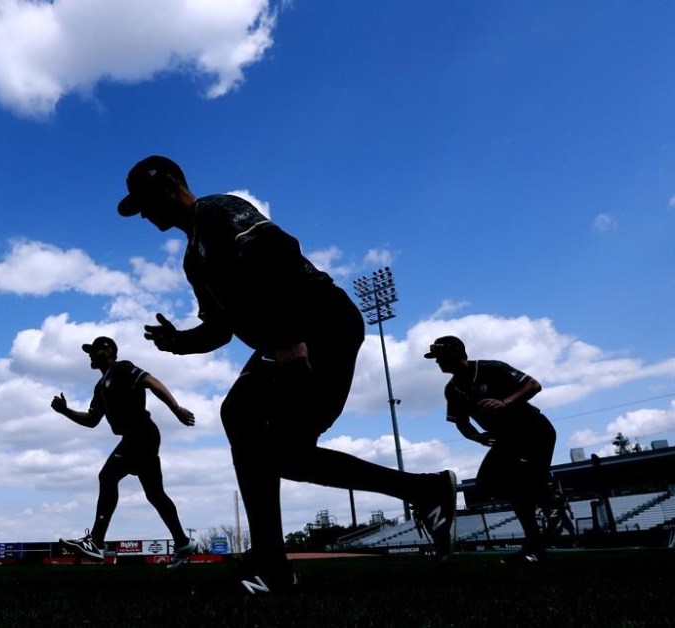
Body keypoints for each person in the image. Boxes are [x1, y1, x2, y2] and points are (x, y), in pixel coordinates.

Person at [116, 155, 458, 593]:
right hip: (288, 338)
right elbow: (220, 330)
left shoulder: (217, 210)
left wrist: (292, 337)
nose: (142, 214)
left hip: (320, 320)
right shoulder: (193, 260)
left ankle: (272, 567)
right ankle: (425, 491)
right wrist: (179, 341)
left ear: (167, 187)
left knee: (245, 419)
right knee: (275, 446)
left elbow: (278, 247)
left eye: (143, 202)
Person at [51, 336, 197, 568]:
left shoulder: (121, 368)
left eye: (94, 350)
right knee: (155, 495)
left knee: (107, 476)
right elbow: (91, 420)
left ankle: (96, 541)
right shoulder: (100, 388)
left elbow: (151, 381)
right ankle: (182, 542)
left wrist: (176, 409)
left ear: (108, 351)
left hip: (141, 433)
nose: (90, 354)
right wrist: (65, 411)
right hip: (136, 437)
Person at [424, 336, 559, 563]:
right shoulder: (452, 389)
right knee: (488, 483)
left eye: (441, 357)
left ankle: (543, 509)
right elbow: (461, 422)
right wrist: (477, 437)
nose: (438, 363)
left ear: (455, 353)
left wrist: (505, 402)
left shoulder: (490, 368)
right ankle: (544, 499)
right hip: (507, 439)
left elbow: (534, 384)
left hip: (534, 430)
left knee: (522, 487)